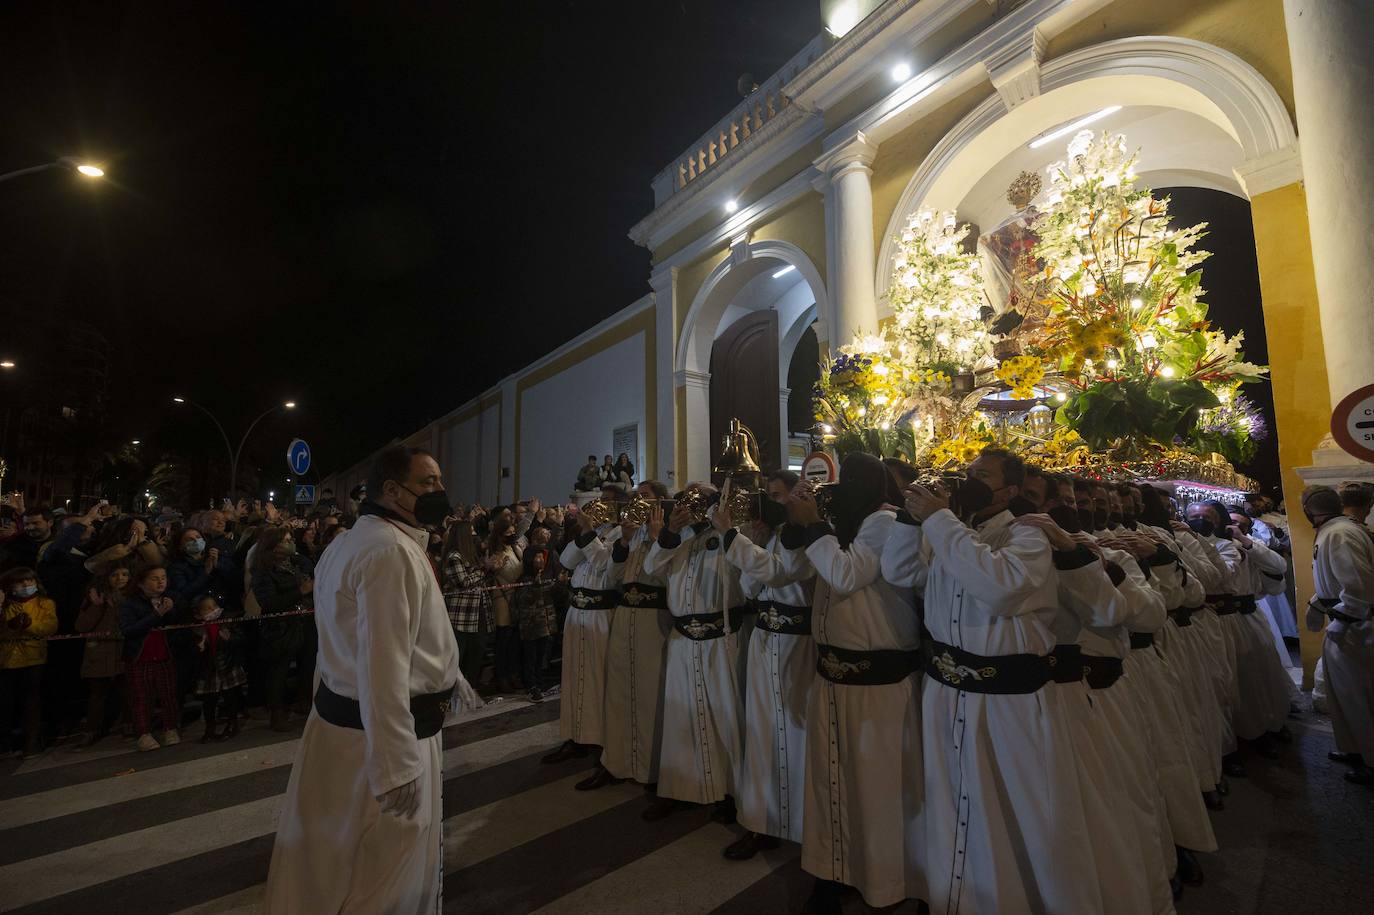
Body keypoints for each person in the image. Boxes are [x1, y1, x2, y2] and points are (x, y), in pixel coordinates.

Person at [884, 447, 1101, 915]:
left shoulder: (1027, 533)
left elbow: (1002, 588)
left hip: (1008, 702)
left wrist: (940, 520)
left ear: (1007, 490)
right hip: (947, 692)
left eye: (980, 475)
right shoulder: (949, 532)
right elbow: (898, 571)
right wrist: (910, 518)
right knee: (952, 804)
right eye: (965, 473)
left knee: (1020, 813)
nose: (966, 481)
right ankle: (955, 899)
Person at [265, 445, 477, 914]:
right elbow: (383, 665)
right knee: (382, 869)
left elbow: (342, 644)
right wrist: (395, 764)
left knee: (337, 859)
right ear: (391, 490)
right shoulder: (389, 552)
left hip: (351, 731)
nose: (440, 491)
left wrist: (448, 675)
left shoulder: (356, 541)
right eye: (428, 482)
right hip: (383, 739)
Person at [715, 469, 815, 861]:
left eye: (776, 496)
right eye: (768, 495)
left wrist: (731, 537)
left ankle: (807, 826)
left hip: (797, 646)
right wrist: (751, 546)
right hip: (765, 640)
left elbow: (782, 572)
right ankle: (762, 823)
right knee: (762, 735)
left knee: (796, 734)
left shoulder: (805, 533)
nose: (770, 502)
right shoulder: (770, 536)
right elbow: (751, 589)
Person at [641, 485, 744, 824]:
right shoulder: (679, 540)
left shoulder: (730, 536)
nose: (692, 509)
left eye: (700, 502)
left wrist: (724, 526)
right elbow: (652, 569)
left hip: (718, 640)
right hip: (683, 639)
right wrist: (669, 531)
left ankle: (730, 793)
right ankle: (680, 788)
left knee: (724, 718)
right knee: (681, 719)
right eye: (687, 502)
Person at [543, 484, 623, 769]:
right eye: (602, 501)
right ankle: (575, 736)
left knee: (596, 679)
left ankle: (599, 740)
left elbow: (604, 564)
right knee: (574, 676)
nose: (602, 506)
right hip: (577, 612)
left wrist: (590, 533)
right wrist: (584, 534)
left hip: (601, 613)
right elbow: (566, 561)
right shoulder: (597, 532)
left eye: (609, 502)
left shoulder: (623, 534)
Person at [602, 480, 672, 789]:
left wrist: (657, 539)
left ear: (660, 502)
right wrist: (625, 540)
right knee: (620, 692)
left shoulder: (671, 535)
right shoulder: (626, 532)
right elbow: (613, 576)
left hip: (652, 621)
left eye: (646, 496)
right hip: (624, 617)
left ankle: (651, 769)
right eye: (637, 497)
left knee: (649, 696)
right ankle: (616, 761)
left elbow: (666, 577)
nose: (639, 501)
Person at [1302, 485, 1374, 785]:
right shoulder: (1334, 530)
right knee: (1343, 696)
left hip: (1355, 629)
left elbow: (1358, 586)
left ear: (1310, 510)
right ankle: (1355, 750)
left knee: (1359, 698)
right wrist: (1318, 604)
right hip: (1345, 625)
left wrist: (1342, 619)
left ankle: (1370, 761)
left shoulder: (1340, 533)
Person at [251, 527, 316, 732]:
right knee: (279, 671)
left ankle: (303, 701)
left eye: (291, 539)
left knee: (308, 665)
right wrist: (300, 591)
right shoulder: (263, 572)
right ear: (273, 546)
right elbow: (268, 603)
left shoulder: (296, 563)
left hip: (305, 622)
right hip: (282, 627)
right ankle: (276, 712)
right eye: (286, 540)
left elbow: (313, 569)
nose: (291, 543)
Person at [119, 564, 182, 752]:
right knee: (141, 697)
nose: (160, 582)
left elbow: (178, 623)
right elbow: (129, 630)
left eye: (163, 577)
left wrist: (171, 611)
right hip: (140, 657)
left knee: (168, 695)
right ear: (141, 583)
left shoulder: (170, 599)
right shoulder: (130, 603)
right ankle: (144, 733)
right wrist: (157, 614)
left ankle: (170, 728)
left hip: (164, 655)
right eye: (155, 578)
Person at [0, 567, 59, 756]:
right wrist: (9, 623)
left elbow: (49, 627)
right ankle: (6, 742)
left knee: (31, 700)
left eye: (30, 581)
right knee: (6, 702)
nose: (26, 585)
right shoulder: (6, 606)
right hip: (7, 660)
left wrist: (29, 625)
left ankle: (31, 741)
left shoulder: (45, 604)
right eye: (20, 582)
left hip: (34, 659)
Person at [73, 563, 130, 749]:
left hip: (123, 651)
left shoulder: (131, 597)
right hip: (99, 653)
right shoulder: (95, 598)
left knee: (126, 691)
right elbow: (81, 626)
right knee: (97, 694)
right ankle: (91, 730)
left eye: (124, 574)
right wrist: (97, 607)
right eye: (115, 574)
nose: (120, 578)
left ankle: (128, 724)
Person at [441, 521, 492, 689]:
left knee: (477, 651)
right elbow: (463, 582)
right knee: (459, 654)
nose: (475, 535)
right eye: (471, 532)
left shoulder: (471, 555)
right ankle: (453, 692)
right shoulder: (454, 557)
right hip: (461, 614)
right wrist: (483, 570)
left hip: (477, 610)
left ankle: (470, 688)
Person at [192, 594, 245, 743]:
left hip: (226, 665)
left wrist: (230, 639)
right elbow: (193, 650)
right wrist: (199, 647)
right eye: (207, 608)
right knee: (209, 701)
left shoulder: (226, 622)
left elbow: (239, 639)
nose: (213, 610)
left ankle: (232, 724)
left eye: (214, 606)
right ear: (198, 613)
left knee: (230, 697)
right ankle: (210, 728)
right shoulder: (197, 629)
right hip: (209, 669)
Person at [513, 547, 562, 702]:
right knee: (530, 657)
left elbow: (554, 596)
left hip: (546, 624)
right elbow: (524, 600)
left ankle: (539, 682)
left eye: (542, 557)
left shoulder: (546, 576)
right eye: (537, 557)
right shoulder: (524, 579)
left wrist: (560, 584)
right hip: (531, 626)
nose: (540, 560)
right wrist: (535, 586)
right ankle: (531, 686)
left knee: (542, 656)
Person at [485, 516, 524, 693]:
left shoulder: (514, 547)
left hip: (515, 599)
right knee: (504, 640)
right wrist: (499, 568)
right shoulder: (494, 552)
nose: (512, 535)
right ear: (500, 535)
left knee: (514, 641)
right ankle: (501, 676)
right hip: (502, 599)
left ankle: (512, 673)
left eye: (513, 532)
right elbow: (508, 574)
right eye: (508, 533)